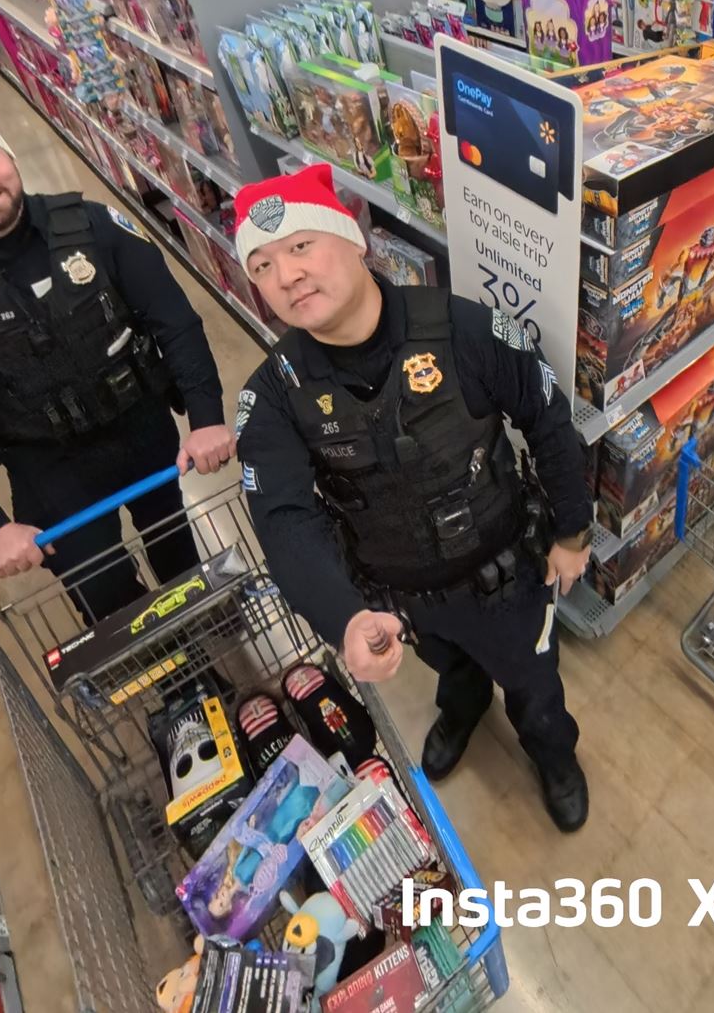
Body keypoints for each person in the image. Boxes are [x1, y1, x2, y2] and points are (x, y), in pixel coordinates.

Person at [228, 166, 594, 831]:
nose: (286, 274)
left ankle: (553, 754)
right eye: (262, 264)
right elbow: (285, 522)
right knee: (451, 671)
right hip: (400, 597)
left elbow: (547, 421)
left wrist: (572, 533)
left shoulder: (465, 330)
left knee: (535, 687)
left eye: (301, 246)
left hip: (506, 578)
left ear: (354, 240)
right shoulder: (274, 397)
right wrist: (344, 619)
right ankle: (463, 708)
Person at [0, 98, 236, 621]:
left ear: (9, 157)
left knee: (175, 544)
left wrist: (206, 415)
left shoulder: (95, 226)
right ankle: (168, 673)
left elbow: (174, 321)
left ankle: (201, 612)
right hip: (49, 471)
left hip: (142, 430)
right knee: (104, 593)